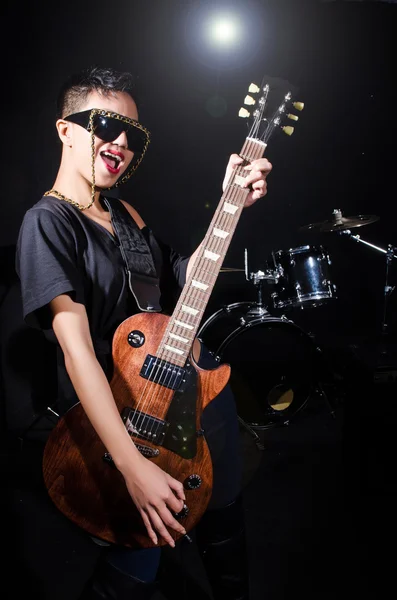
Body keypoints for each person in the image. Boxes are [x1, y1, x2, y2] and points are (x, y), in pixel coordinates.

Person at [14, 66, 272, 599]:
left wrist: (231, 203)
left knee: (225, 520)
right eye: (107, 125)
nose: (123, 142)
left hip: (189, 394)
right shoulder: (48, 222)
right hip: (123, 425)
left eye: (135, 134)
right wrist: (132, 467)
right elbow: (77, 353)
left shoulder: (125, 212)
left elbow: (185, 282)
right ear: (66, 129)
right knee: (136, 567)